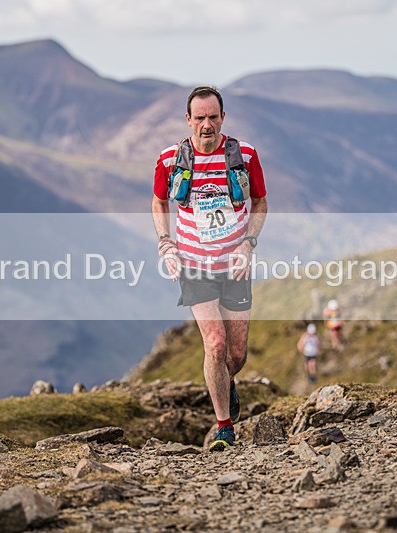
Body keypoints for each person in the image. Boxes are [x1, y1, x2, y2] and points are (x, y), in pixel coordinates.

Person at [151, 86, 268, 451]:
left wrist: (248, 244)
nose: (206, 125)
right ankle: (224, 427)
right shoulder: (170, 159)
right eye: (199, 118)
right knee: (215, 344)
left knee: (236, 354)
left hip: (235, 265)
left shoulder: (244, 155)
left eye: (213, 117)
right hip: (193, 264)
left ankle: (227, 381)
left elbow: (260, 202)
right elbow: (158, 201)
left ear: (223, 117)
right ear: (188, 119)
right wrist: (166, 243)